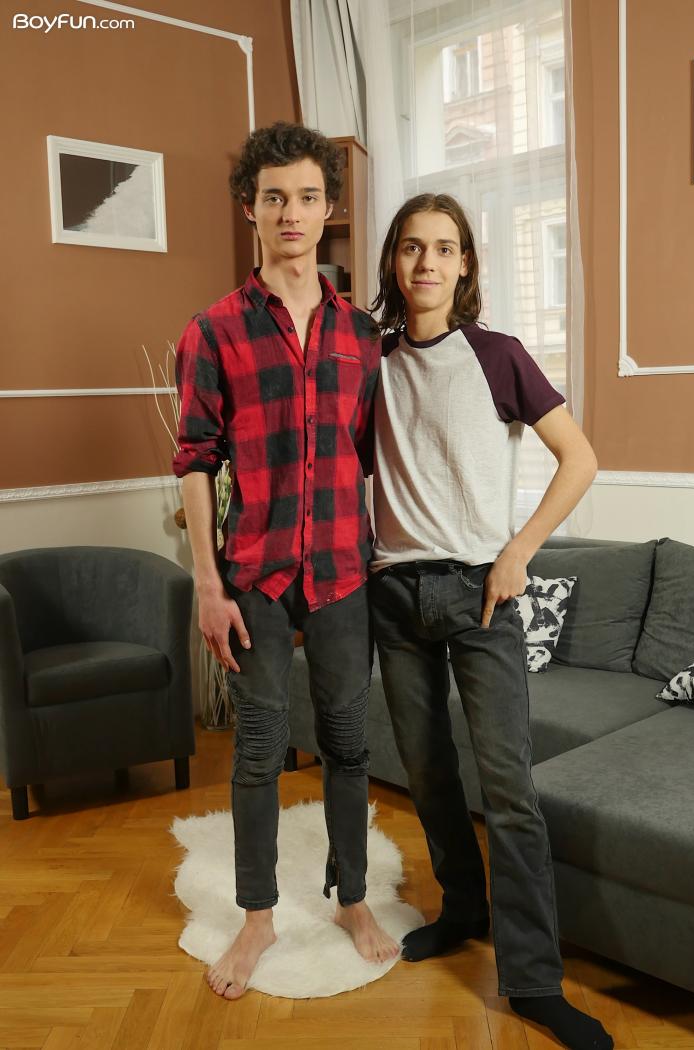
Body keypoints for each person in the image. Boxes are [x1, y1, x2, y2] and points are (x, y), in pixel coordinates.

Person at [368, 193, 612, 1050]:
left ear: (465, 263)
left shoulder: (498, 355)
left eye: (444, 248)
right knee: (428, 774)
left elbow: (580, 458)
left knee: (509, 792)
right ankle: (463, 908)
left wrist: (519, 553)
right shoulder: (372, 363)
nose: (427, 263)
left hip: (482, 597)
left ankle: (535, 982)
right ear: (394, 262)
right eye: (412, 247)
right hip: (393, 596)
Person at [173, 122, 398, 1001]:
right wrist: (207, 584)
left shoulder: (362, 335)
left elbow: (377, 459)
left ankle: (352, 898)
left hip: (343, 571)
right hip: (254, 577)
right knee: (260, 749)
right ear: (251, 209)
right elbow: (195, 461)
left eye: (307, 196)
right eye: (274, 197)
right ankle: (258, 916)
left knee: (347, 742)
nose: (291, 213)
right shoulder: (213, 331)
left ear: (328, 206)